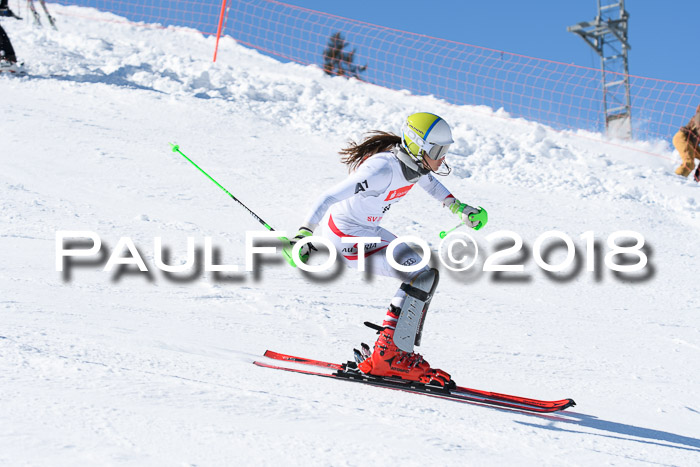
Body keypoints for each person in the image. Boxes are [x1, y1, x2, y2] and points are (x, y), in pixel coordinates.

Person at [288, 112, 487, 388]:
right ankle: (389, 356)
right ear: (418, 147)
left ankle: (393, 353)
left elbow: (431, 184)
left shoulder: (413, 168)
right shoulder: (381, 170)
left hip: (367, 231)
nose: (443, 158)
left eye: (446, 150)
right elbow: (329, 196)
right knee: (419, 275)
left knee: (424, 273)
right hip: (346, 238)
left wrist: (457, 207)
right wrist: (304, 233)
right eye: (438, 150)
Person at [672, 104, 700, 181]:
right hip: (682, 138)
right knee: (689, 163)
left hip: (692, 142)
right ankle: (675, 180)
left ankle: (698, 179)